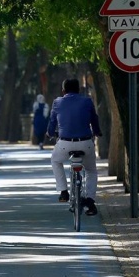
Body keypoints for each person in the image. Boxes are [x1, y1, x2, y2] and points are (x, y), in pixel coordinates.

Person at [46, 79, 103, 216]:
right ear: (79, 90)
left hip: (65, 143)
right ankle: (90, 201)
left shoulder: (57, 102)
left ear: (63, 90)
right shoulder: (87, 101)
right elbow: (94, 120)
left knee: (55, 160)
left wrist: (49, 133)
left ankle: (63, 191)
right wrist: (97, 132)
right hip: (85, 143)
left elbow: (52, 122)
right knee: (91, 171)